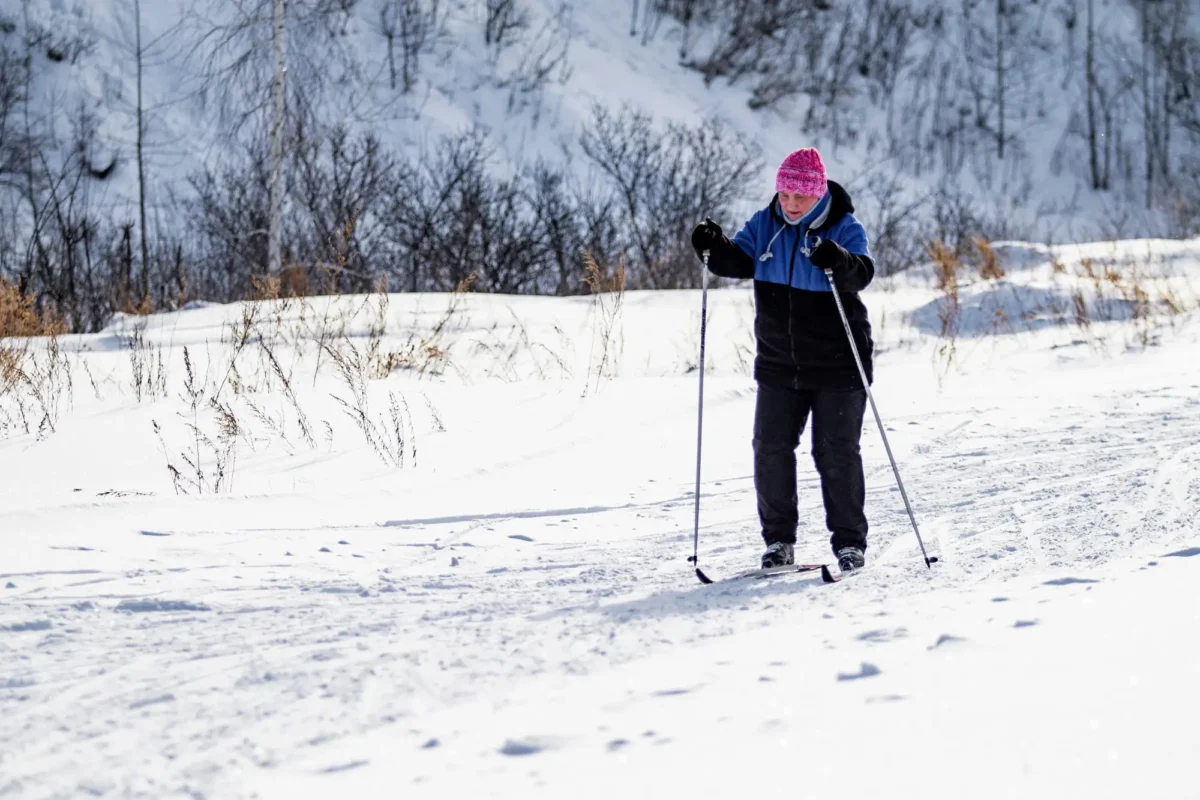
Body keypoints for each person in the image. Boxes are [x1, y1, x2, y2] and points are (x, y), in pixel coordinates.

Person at [690, 147, 875, 573]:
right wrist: (711, 246)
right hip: (779, 363)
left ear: (818, 192)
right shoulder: (765, 223)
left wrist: (837, 259)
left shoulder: (844, 227)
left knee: (835, 453)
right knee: (770, 449)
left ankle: (850, 544)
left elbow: (861, 273)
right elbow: (736, 261)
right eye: (784, 194)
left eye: (800, 196)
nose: (790, 204)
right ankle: (778, 542)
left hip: (838, 365)